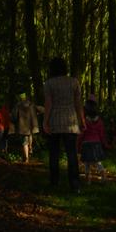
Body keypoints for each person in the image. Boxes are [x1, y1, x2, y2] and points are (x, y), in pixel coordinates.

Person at [43, 57, 85, 193]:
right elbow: (78, 103)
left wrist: (45, 121)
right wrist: (82, 120)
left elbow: (48, 104)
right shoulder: (74, 82)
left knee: (54, 154)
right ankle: (75, 185)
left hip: (54, 121)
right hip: (71, 123)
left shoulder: (49, 84)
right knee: (72, 154)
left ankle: (54, 183)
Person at [78, 98, 109, 184]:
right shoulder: (100, 121)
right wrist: (105, 144)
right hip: (96, 143)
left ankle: (88, 179)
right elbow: (102, 134)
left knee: (87, 162)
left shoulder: (84, 121)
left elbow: (81, 134)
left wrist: (78, 144)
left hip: (86, 143)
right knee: (97, 161)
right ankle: (103, 175)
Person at [11, 92, 41, 163]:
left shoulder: (18, 105)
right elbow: (40, 109)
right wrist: (37, 114)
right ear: (26, 98)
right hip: (31, 125)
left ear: (20, 98)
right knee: (30, 135)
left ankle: (26, 158)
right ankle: (30, 147)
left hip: (23, 126)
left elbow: (14, 116)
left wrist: (14, 121)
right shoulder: (31, 104)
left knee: (24, 142)